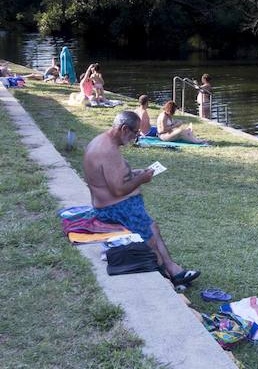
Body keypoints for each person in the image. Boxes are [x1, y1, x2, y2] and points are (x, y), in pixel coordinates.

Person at [85, 111, 200, 287]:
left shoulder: (104, 142)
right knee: (150, 241)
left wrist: (134, 173)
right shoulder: (108, 151)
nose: (135, 137)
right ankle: (167, 281)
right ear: (124, 129)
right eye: (135, 133)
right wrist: (142, 179)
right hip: (114, 209)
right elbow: (118, 190)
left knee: (152, 226)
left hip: (117, 206)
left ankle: (173, 269)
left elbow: (112, 178)